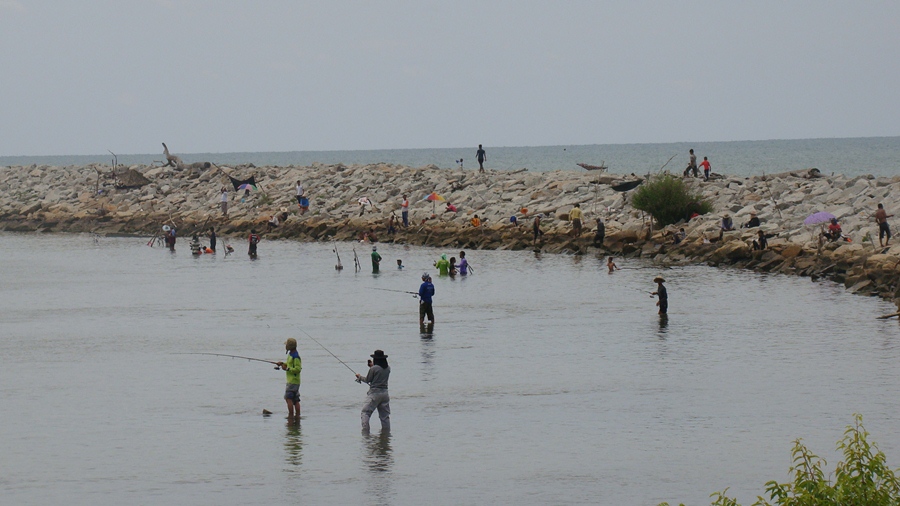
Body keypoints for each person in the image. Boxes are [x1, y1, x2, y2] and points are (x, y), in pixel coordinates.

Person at [355, 350, 390, 433]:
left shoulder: (374, 368)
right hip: (385, 394)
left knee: (365, 412)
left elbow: (368, 380)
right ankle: (386, 434)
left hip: (374, 394)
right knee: (385, 417)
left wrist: (359, 377)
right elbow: (378, 371)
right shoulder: (388, 368)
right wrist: (371, 367)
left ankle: (365, 433)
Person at [277, 338, 302, 418]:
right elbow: (289, 364)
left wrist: (287, 369)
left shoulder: (296, 356)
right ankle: (297, 416)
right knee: (295, 399)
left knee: (288, 398)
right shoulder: (291, 354)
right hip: (294, 381)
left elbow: (298, 369)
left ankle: (291, 415)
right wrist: (282, 363)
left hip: (292, 381)